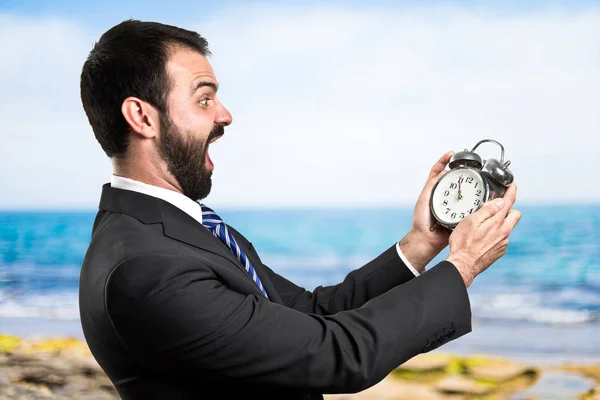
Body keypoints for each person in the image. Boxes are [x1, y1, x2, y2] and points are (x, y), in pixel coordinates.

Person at [78, 19, 521, 400]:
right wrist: (461, 265)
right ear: (142, 117)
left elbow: (309, 313)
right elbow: (337, 354)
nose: (225, 115)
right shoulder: (145, 269)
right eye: (204, 98)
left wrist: (420, 244)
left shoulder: (182, 230)